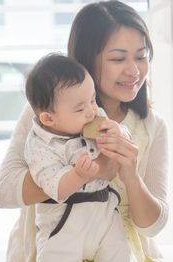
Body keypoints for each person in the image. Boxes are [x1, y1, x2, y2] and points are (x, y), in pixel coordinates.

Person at [0, 0, 169, 262]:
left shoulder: (150, 125)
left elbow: (152, 226)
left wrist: (130, 175)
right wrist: (88, 172)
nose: (133, 70)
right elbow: (5, 192)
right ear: (88, 59)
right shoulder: (45, 116)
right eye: (118, 58)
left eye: (141, 56)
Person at [23, 53, 129, 261]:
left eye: (92, 99)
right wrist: (79, 175)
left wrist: (119, 133)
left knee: (121, 253)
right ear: (48, 118)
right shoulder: (39, 145)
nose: (91, 111)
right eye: (80, 108)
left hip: (103, 212)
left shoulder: (95, 115)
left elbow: (121, 137)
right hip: (63, 222)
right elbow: (55, 188)